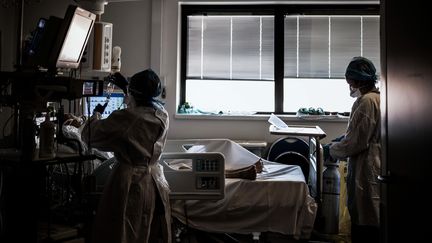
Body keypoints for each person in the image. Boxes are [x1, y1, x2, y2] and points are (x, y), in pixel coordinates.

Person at [82, 69, 171, 243]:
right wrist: (127, 89)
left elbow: (90, 135)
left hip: (130, 183)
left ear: (133, 93)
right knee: (142, 232)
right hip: (152, 180)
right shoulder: (162, 115)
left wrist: (96, 115)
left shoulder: (127, 118)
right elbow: (141, 111)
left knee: (122, 231)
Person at [323, 56, 381, 243]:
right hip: (373, 160)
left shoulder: (366, 102)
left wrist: (331, 150)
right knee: (370, 212)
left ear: (359, 80)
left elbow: (356, 142)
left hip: (367, 165)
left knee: (365, 214)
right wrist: (342, 139)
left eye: (350, 81)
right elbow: (361, 133)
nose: (349, 85)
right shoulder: (379, 98)